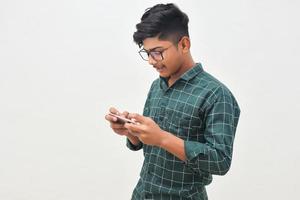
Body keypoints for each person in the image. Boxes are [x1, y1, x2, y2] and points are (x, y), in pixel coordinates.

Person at [105, 3, 240, 200]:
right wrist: (131, 132)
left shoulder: (216, 95)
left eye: (157, 52)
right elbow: (148, 144)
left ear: (184, 44)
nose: (151, 60)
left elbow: (220, 161)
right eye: (147, 53)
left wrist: (162, 138)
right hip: (142, 194)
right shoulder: (156, 86)